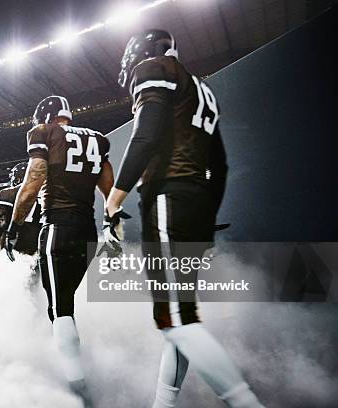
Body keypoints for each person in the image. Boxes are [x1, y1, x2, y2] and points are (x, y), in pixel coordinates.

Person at [104, 29, 264, 408]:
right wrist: (206, 221)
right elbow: (220, 166)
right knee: (179, 317)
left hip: (167, 198)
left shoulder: (155, 68)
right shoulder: (200, 89)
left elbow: (145, 135)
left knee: (176, 320)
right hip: (195, 202)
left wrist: (114, 200)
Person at [6, 95, 114, 407]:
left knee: (60, 308)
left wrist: (15, 223)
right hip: (87, 230)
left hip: (57, 227)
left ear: (44, 116)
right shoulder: (96, 139)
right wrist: (113, 221)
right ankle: (75, 365)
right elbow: (108, 188)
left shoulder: (44, 132)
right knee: (66, 303)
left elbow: (35, 178)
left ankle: (77, 386)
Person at [0, 162, 42, 258]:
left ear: (19, 177)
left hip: (16, 248)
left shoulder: (9, 193)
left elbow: (0, 225)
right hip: (40, 248)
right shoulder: (45, 194)